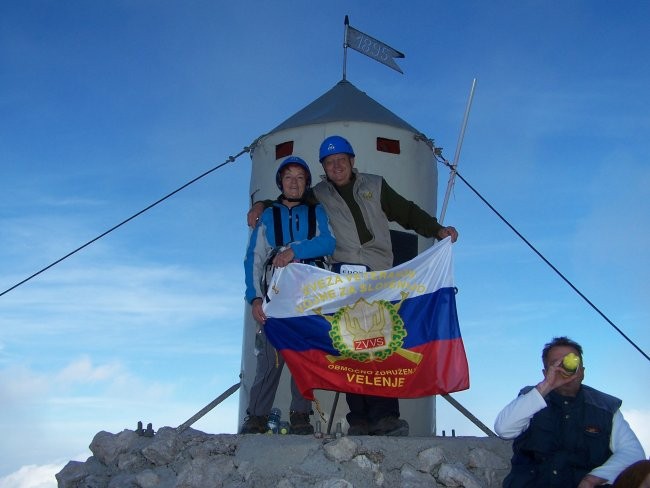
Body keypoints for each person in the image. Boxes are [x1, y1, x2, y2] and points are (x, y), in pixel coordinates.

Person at [248, 135, 458, 436]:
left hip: (378, 276)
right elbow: (288, 198)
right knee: (352, 345)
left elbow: (407, 212)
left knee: (381, 341)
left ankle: (385, 416)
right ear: (323, 168)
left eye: (341, 161)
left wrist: (437, 229)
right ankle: (358, 419)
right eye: (330, 163)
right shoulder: (318, 194)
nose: (336, 166)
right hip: (343, 279)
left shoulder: (375, 185)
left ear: (352, 161)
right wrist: (260, 203)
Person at [241, 156, 335, 435]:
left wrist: (294, 252)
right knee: (269, 359)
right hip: (275, 294)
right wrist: (255, 298)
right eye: (288, 177)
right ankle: (256, 416)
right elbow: (253, 259)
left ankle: (300, 416)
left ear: (306, 183)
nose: (294, 183)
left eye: (300, 178)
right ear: (280, 182)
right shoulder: (268, 215)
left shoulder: (316, 211)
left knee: (303, 356)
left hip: (308, 295)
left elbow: (328, 241)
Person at [494, 336, 646, 487]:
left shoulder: (604, 407)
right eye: (555, 364)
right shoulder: (530, 399)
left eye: (572, 362)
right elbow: (504, 429)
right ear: (545, 372)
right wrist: (546, 385)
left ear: (583, 371)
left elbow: (632, 452)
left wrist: (594, 478)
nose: (564, 368)